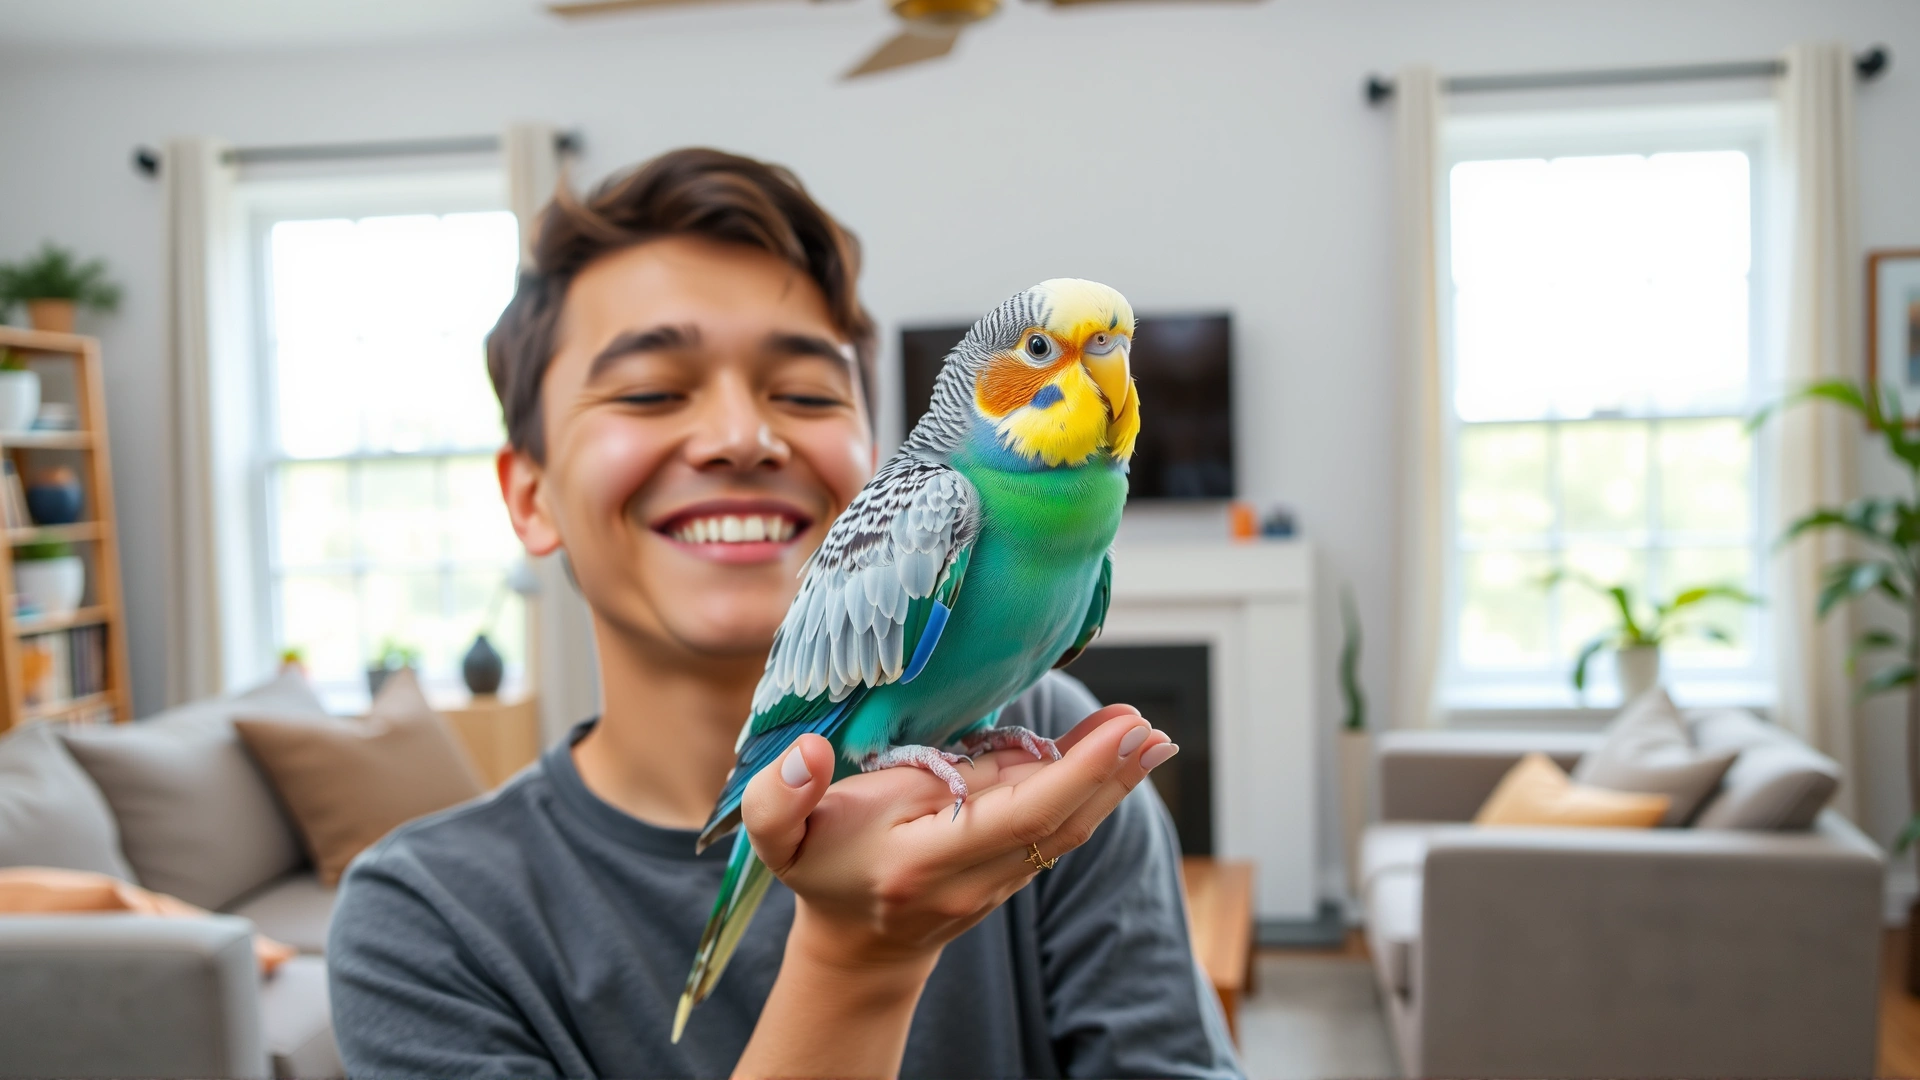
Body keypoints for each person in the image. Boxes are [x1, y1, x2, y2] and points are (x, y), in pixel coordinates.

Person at [328, 147, 1242, 1079]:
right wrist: (860, 959)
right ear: (529, 495)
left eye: (806, 394)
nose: (742, 439)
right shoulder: (426, 922)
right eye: (649, 391)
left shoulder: (1059, 772)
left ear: (872, 444)